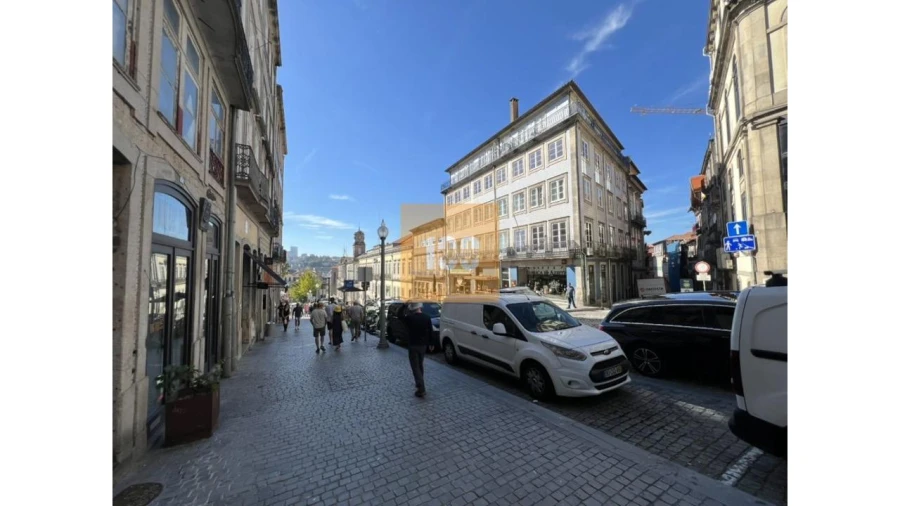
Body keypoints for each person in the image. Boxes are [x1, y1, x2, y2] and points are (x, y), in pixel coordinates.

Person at [404, 302, 433, 398]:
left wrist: (405, 306)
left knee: (415, 367)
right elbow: (430, 331)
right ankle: (419, 383)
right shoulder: (427, 317)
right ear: (420, 308)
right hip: (423, 345)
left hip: (413, 345)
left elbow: (399, 315)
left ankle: (421, 388)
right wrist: (431, 343)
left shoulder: (410, 318)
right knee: (420, 365)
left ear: (412, 309)